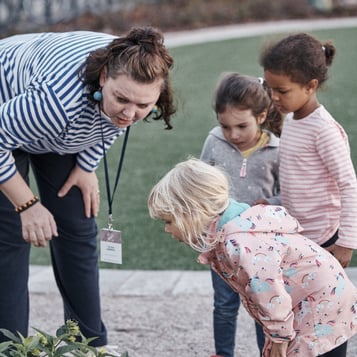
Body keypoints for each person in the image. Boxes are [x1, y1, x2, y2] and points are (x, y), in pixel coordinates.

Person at [0, 26, 176, 349]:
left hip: (52, 124)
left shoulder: (133, 89)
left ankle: (87, 345)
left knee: (79, 228)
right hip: (8, 104)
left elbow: (110, 124)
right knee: (10, 236)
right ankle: (8, 347)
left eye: (143, 105)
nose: (129, 113)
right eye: (121, 99)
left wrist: (85, 166)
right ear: (104, 77)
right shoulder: (55, 104)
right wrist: (27, 205)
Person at [147, 158, 357, 357]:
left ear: (192, 212)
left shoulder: (241, 245)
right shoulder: (240, 225)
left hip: (319, 308)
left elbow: (269, 292)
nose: (167, 229)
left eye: (168, 221)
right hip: (325, 299)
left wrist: (279, 338)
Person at [200, 72, 283, 357]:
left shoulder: (276, 150)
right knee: (224, 304)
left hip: (263, 248)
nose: (233, 134)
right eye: (225, 126)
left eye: (241, 126)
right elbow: (201, 185)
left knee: (264, 305)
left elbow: (289, 194)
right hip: (222, 243)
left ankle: (267, 352)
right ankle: (223, 353)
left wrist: (268, 202)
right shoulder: (214, 141)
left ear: (261, 117)